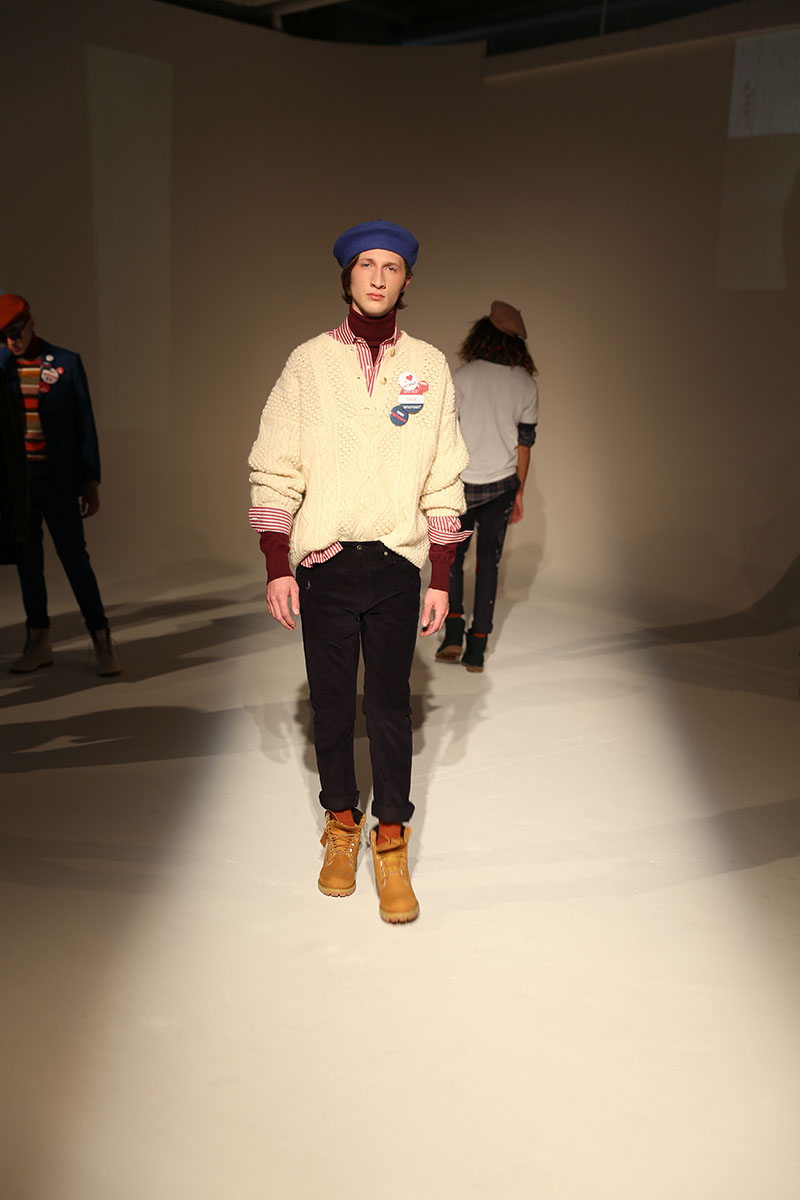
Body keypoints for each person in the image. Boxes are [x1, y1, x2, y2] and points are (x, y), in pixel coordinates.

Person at [248, 219, 469, 924]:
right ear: (346, 276)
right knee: (334, 704)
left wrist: (441, 575)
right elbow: (275, 464)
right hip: (326, 563)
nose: (377, 277)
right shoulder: (309, 363)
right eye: (366, 265)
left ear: (407, 280)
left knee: (390, 708)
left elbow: (444, 475)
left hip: (398, 562)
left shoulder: (428, 367)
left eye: (391, 267)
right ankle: (341, 824)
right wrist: (277, 563)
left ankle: (391, 839)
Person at [0, 294, 120, 676]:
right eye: (3, 336)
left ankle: (101, 639)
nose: (11, 341)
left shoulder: (65, 362)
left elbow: (85, 424)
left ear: (30, 323)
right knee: (28, 563)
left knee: (75, 560)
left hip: (58, 480)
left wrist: (90, 481)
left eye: (15, 332)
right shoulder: (2, 366)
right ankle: (38, 641)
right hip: (18, 485)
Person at [436, 301, 539, 673]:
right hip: (501, 486)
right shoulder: (526, 384)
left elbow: (445, 435)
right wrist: (519, 491)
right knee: (488, 566)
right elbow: (524, 444)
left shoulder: (462, 378)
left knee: (451, 560)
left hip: (460, 485)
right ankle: (477, 647)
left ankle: (453, 634)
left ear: (480, 336)